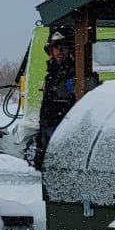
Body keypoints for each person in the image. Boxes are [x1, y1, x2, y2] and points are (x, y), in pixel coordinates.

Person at [32, 27, 79, 169]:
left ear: (70, 50)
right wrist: (41, 141)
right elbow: (46, 106)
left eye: (63, 48)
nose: (59, 52)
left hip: (65, 130)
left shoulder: (75, 72)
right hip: (49, 127)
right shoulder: (51, 73)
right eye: (56, 48)